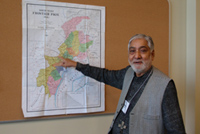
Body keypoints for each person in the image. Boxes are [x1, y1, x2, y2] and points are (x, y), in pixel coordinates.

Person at [53, 34, 186, 134]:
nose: (137, 55)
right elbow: (104, 75)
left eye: (143, 50)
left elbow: (176, 130)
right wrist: (75, 65)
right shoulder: (128, 73)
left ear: (152, 54)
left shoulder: (165, 85)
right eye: (132, 51)